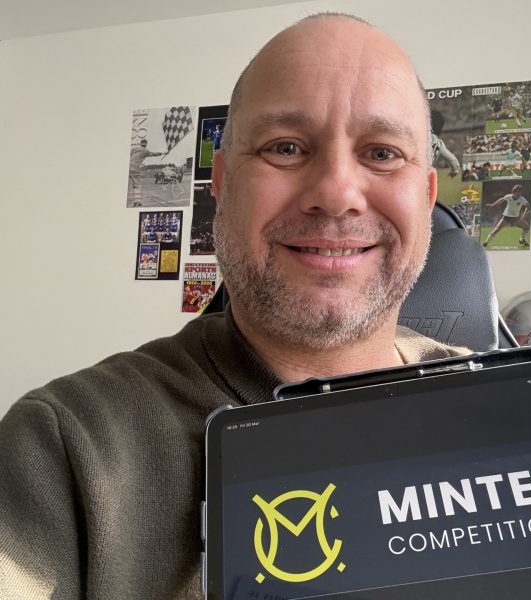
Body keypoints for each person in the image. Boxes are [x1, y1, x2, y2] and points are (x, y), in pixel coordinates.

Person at [0, 14, 472, 599]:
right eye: (286, 147)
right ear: (221, 183)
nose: (336, 194)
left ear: (426, 196)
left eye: (382, 153)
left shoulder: (526, 413)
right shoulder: (63, 448)